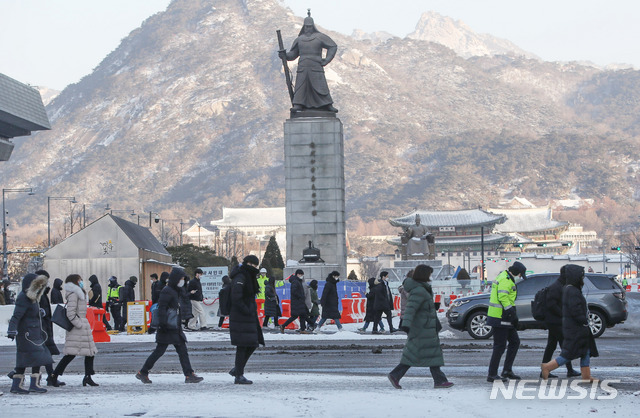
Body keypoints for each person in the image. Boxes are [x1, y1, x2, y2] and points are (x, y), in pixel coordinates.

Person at [387, 265, 454, 389]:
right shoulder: (419, 290)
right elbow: (411, 308)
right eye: (429, 274)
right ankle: (396, 375)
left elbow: (419, 307)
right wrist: (406, 325)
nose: (430, 277)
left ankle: (439, 380)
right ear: (424, 275)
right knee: (421, 354)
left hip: (425, 327)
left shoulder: (421, 289)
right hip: (422, 328)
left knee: (424, 354)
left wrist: (431, 306)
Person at [136, 267, 203, 384]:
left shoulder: (176, 290)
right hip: (167, 326)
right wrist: (162, 324)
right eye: (181, 278)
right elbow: (161, 308)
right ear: (176, 279)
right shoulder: (167, 291)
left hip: (174, 326)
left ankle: (189, 374)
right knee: (160, 351)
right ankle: (143, 372)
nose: (183, 281)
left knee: (181, 350)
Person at [541, 264, 600, 382]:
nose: (582, 280)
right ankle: (547, 367)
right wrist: (583, 319)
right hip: (576, 328)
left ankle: (586, 376)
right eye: (581, 277)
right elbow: (575, 310)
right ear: (575, 277)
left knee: (585, 351)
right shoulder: (572, 290)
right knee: (569, 354)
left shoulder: (570, 288)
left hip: (576, 327)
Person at [278, 11, 338, 112]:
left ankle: (327, 104)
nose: (308, 29)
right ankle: (298, 104)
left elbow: (333, 46)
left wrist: (327, 60)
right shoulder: (299, 39)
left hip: (316, 65)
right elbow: (293, 54)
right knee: (301, 86)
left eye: (310, 26)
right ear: (303, 27)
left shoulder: (319, 37)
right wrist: (285, 56)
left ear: (313, 26)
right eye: (306, 26)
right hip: (303, 66)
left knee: (320, 85)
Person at [48, 274, 99, 387]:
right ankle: (54, 375)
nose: (82, 281)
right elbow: (70, 313)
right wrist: (79, 324)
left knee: (90, 352)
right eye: (80, 280)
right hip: (77, 328)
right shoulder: (74, 294)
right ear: (75, 282)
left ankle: (88, 377)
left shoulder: (80, 293)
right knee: (71, 354)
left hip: (82, 327)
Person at [7, 273, 53, 394]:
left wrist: (40, 312)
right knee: (28, 358)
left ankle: (27, 384)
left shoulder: (33, 298)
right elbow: (16, 315)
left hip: (34, 334)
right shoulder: (24, 297)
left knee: (36, 358)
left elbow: (30, 313)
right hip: (27, 334)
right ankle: (21, 384)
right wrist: (12, 330)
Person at [486, 261, 526, 382]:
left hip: (503, 317)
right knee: (499, 346)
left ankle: (507, 370)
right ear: (516, 272)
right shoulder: (505, 279)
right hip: (500, 317)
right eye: (520, 274)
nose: (520, 276)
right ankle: (492, 374)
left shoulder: (505, 277)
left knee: (515, 342)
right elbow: (502, 297)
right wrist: (511, 313)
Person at [229, 255, 265, 384]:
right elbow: (236, 297)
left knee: (253, 343)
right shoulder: (241, 276)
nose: (255, 268)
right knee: (243, 346)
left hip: (248, 316)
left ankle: (237, 370)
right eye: (254, 266)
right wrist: (246, 310)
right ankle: (239, 375)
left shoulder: (248, 276)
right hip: (241, 316)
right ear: (248, 264)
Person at [540, 266, 580, 378]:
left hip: (555, 321)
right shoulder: (556, 287)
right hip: (555, 322)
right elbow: (551, 304)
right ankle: (569, 370)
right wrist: (563, 314)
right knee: (564, 346)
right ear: (565, 275)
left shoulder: (561, 285)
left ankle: (545, 370)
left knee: (552, 346)